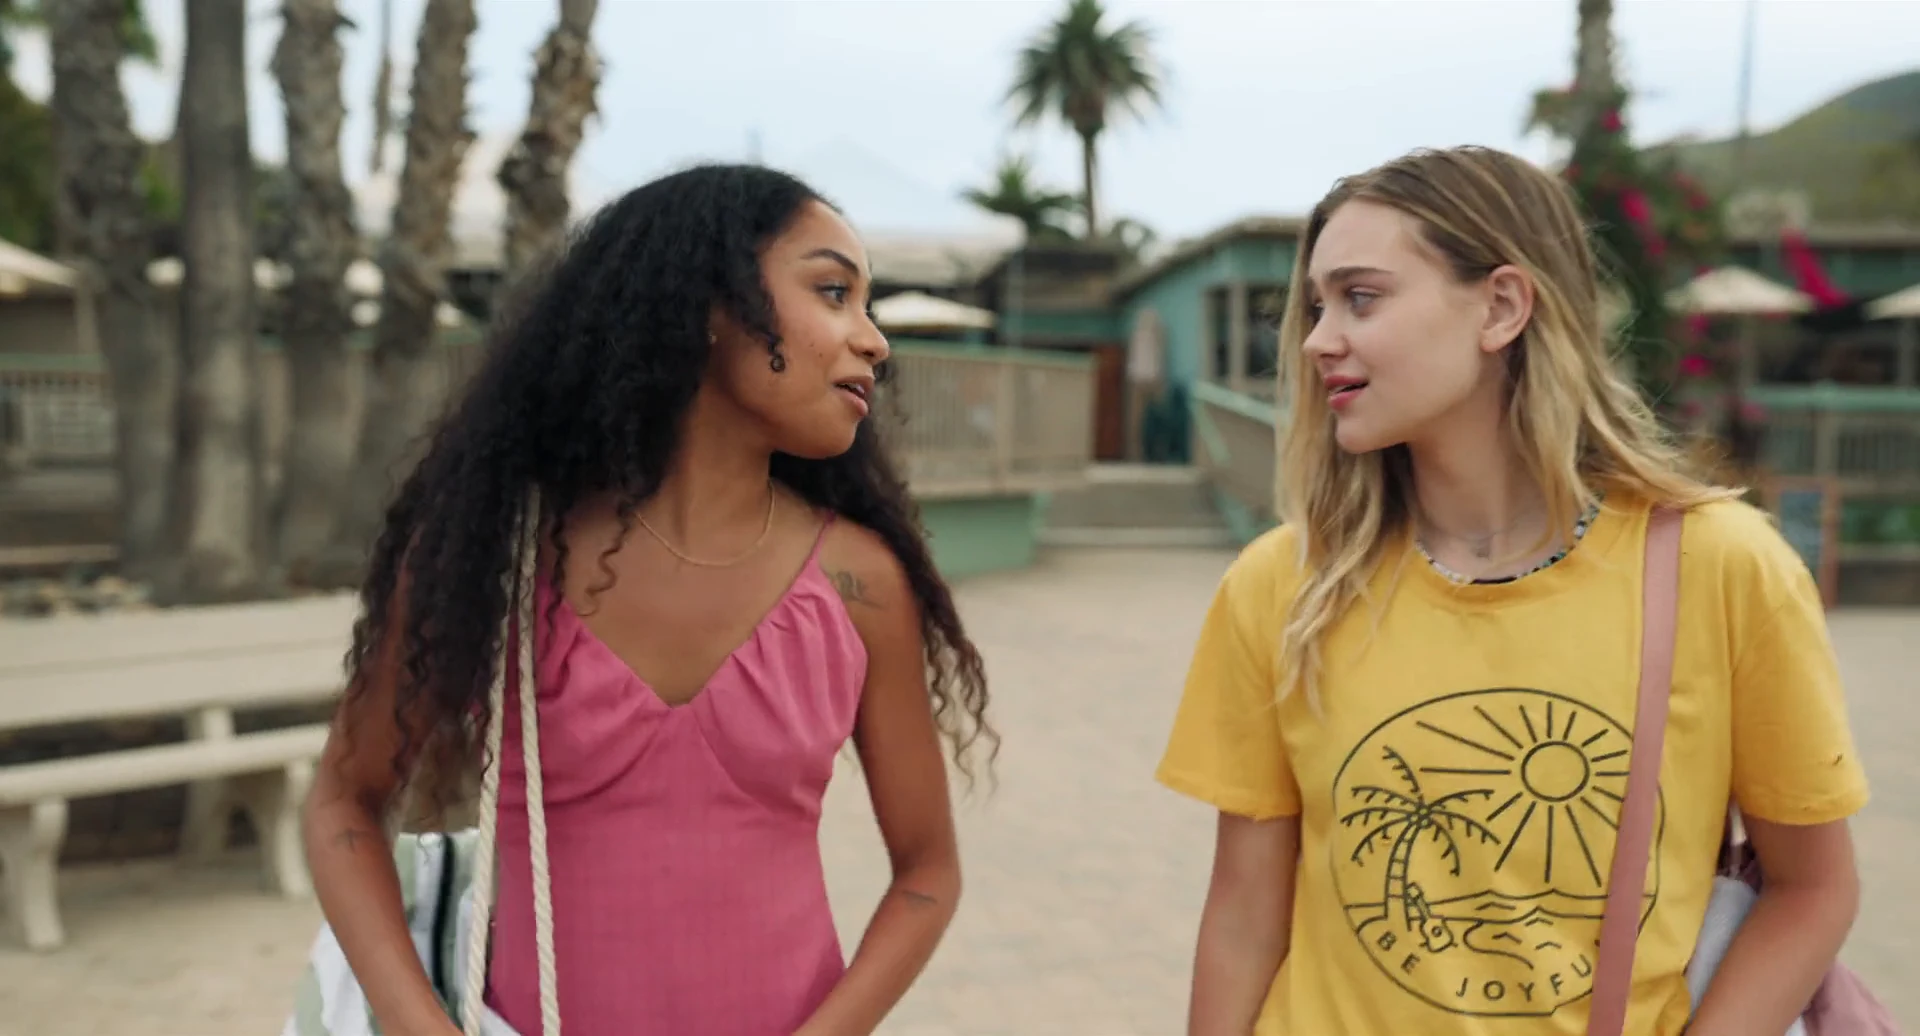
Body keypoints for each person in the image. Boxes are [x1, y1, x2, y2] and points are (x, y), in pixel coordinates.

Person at [1156, 146, 1867, 1036]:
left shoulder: (1722, 567)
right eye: (1316, 306)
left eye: (1361, 298)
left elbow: (1813, 888)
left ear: (1501, 307)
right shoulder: (1284, 586)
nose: (1317, 340)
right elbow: (1243, 915)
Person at [302, 164, 994, 1036]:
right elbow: (344, 800)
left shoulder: (859, 585)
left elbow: (927, 873)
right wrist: (419, 1026)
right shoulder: (495, 554)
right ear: (711, 304)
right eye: (833, 293)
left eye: (870, 306)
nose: (874, 341)